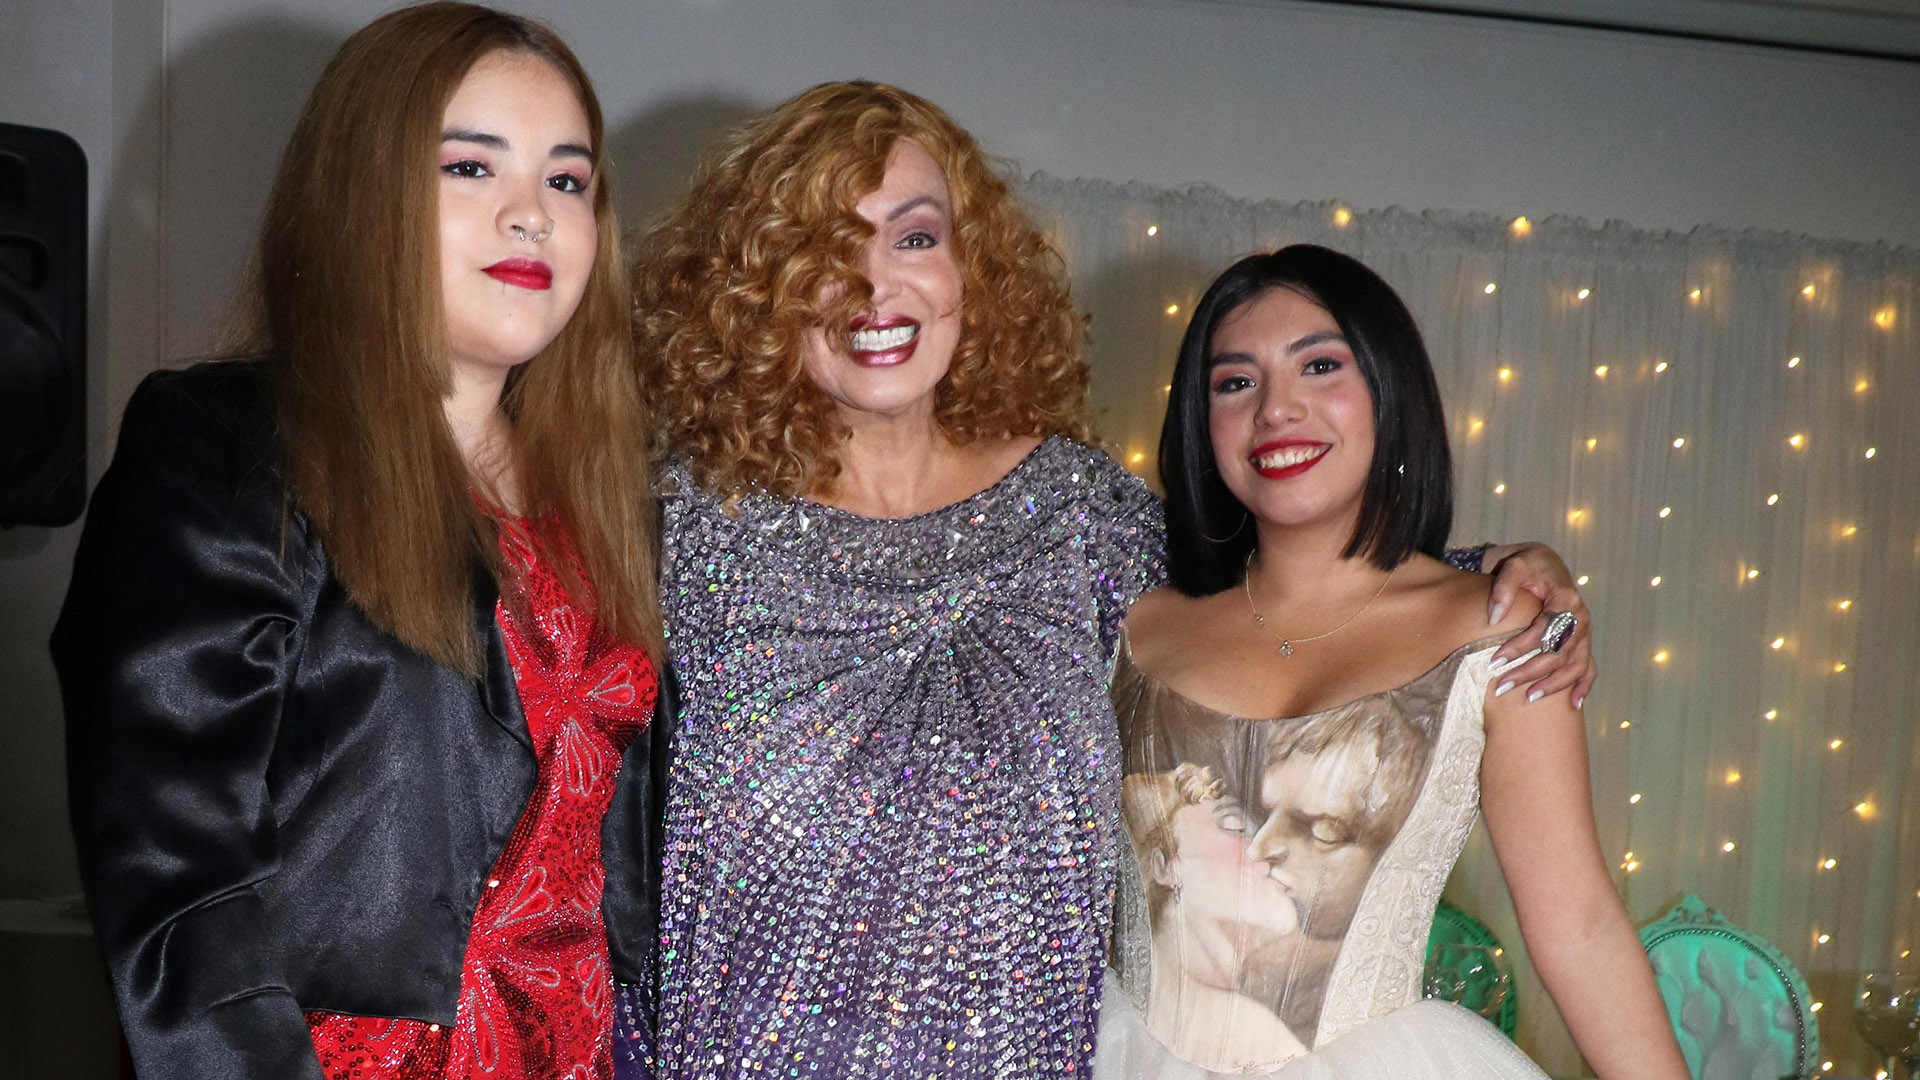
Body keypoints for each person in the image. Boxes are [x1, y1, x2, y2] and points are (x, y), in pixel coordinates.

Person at [615, 83, 1592, 1079]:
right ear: (759, 287)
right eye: (823, 249)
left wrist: (1501, 577)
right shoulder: (680, 536)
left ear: (970, 268)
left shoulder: (1077, 516)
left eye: (914, 238)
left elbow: (1273, 588)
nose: (875, 286)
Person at [52, 6, 664, 1079]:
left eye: (567, 181)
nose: (532, 215)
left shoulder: (611, 499)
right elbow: (175, 877)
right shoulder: (229, 447)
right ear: (362, 190)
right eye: (471, 168)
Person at [1096, 245, 1687, 1079]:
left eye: (1320, 365)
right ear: (1201, 424)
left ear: (1389, 390)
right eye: (1235, 382)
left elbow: (1579, 923)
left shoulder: (1500, 628)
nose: (1275, 409)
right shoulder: (1129, 626)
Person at [1120, 763, 1307, 1069]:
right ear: (1164, 867)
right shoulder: (1254, 1036)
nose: (1264, 849)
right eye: (1235, 827)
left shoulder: (1255, 1033)